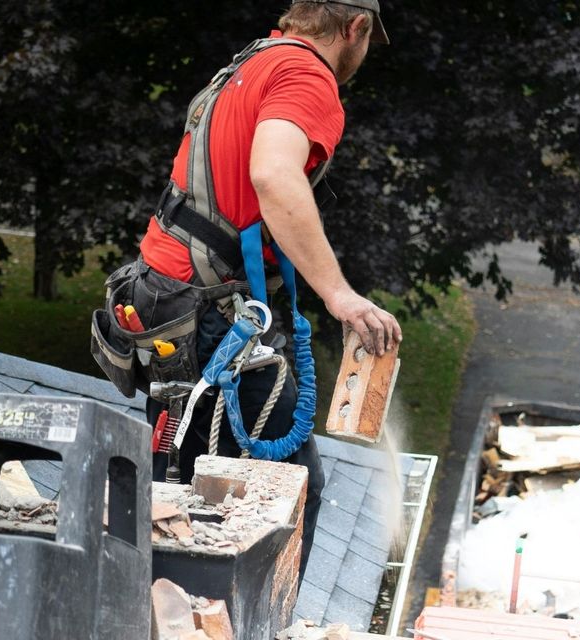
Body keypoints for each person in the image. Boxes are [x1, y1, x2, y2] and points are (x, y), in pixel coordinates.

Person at [135, 0, 401, 578]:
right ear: (356, 27)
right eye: (366, 42)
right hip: (207, 311)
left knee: (179, 484)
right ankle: (239, 617)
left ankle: (162, 605)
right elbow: (275, 174)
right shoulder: (306, 75)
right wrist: (339, 295)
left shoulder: (254, 61)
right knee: (285, 490)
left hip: (163, 298)